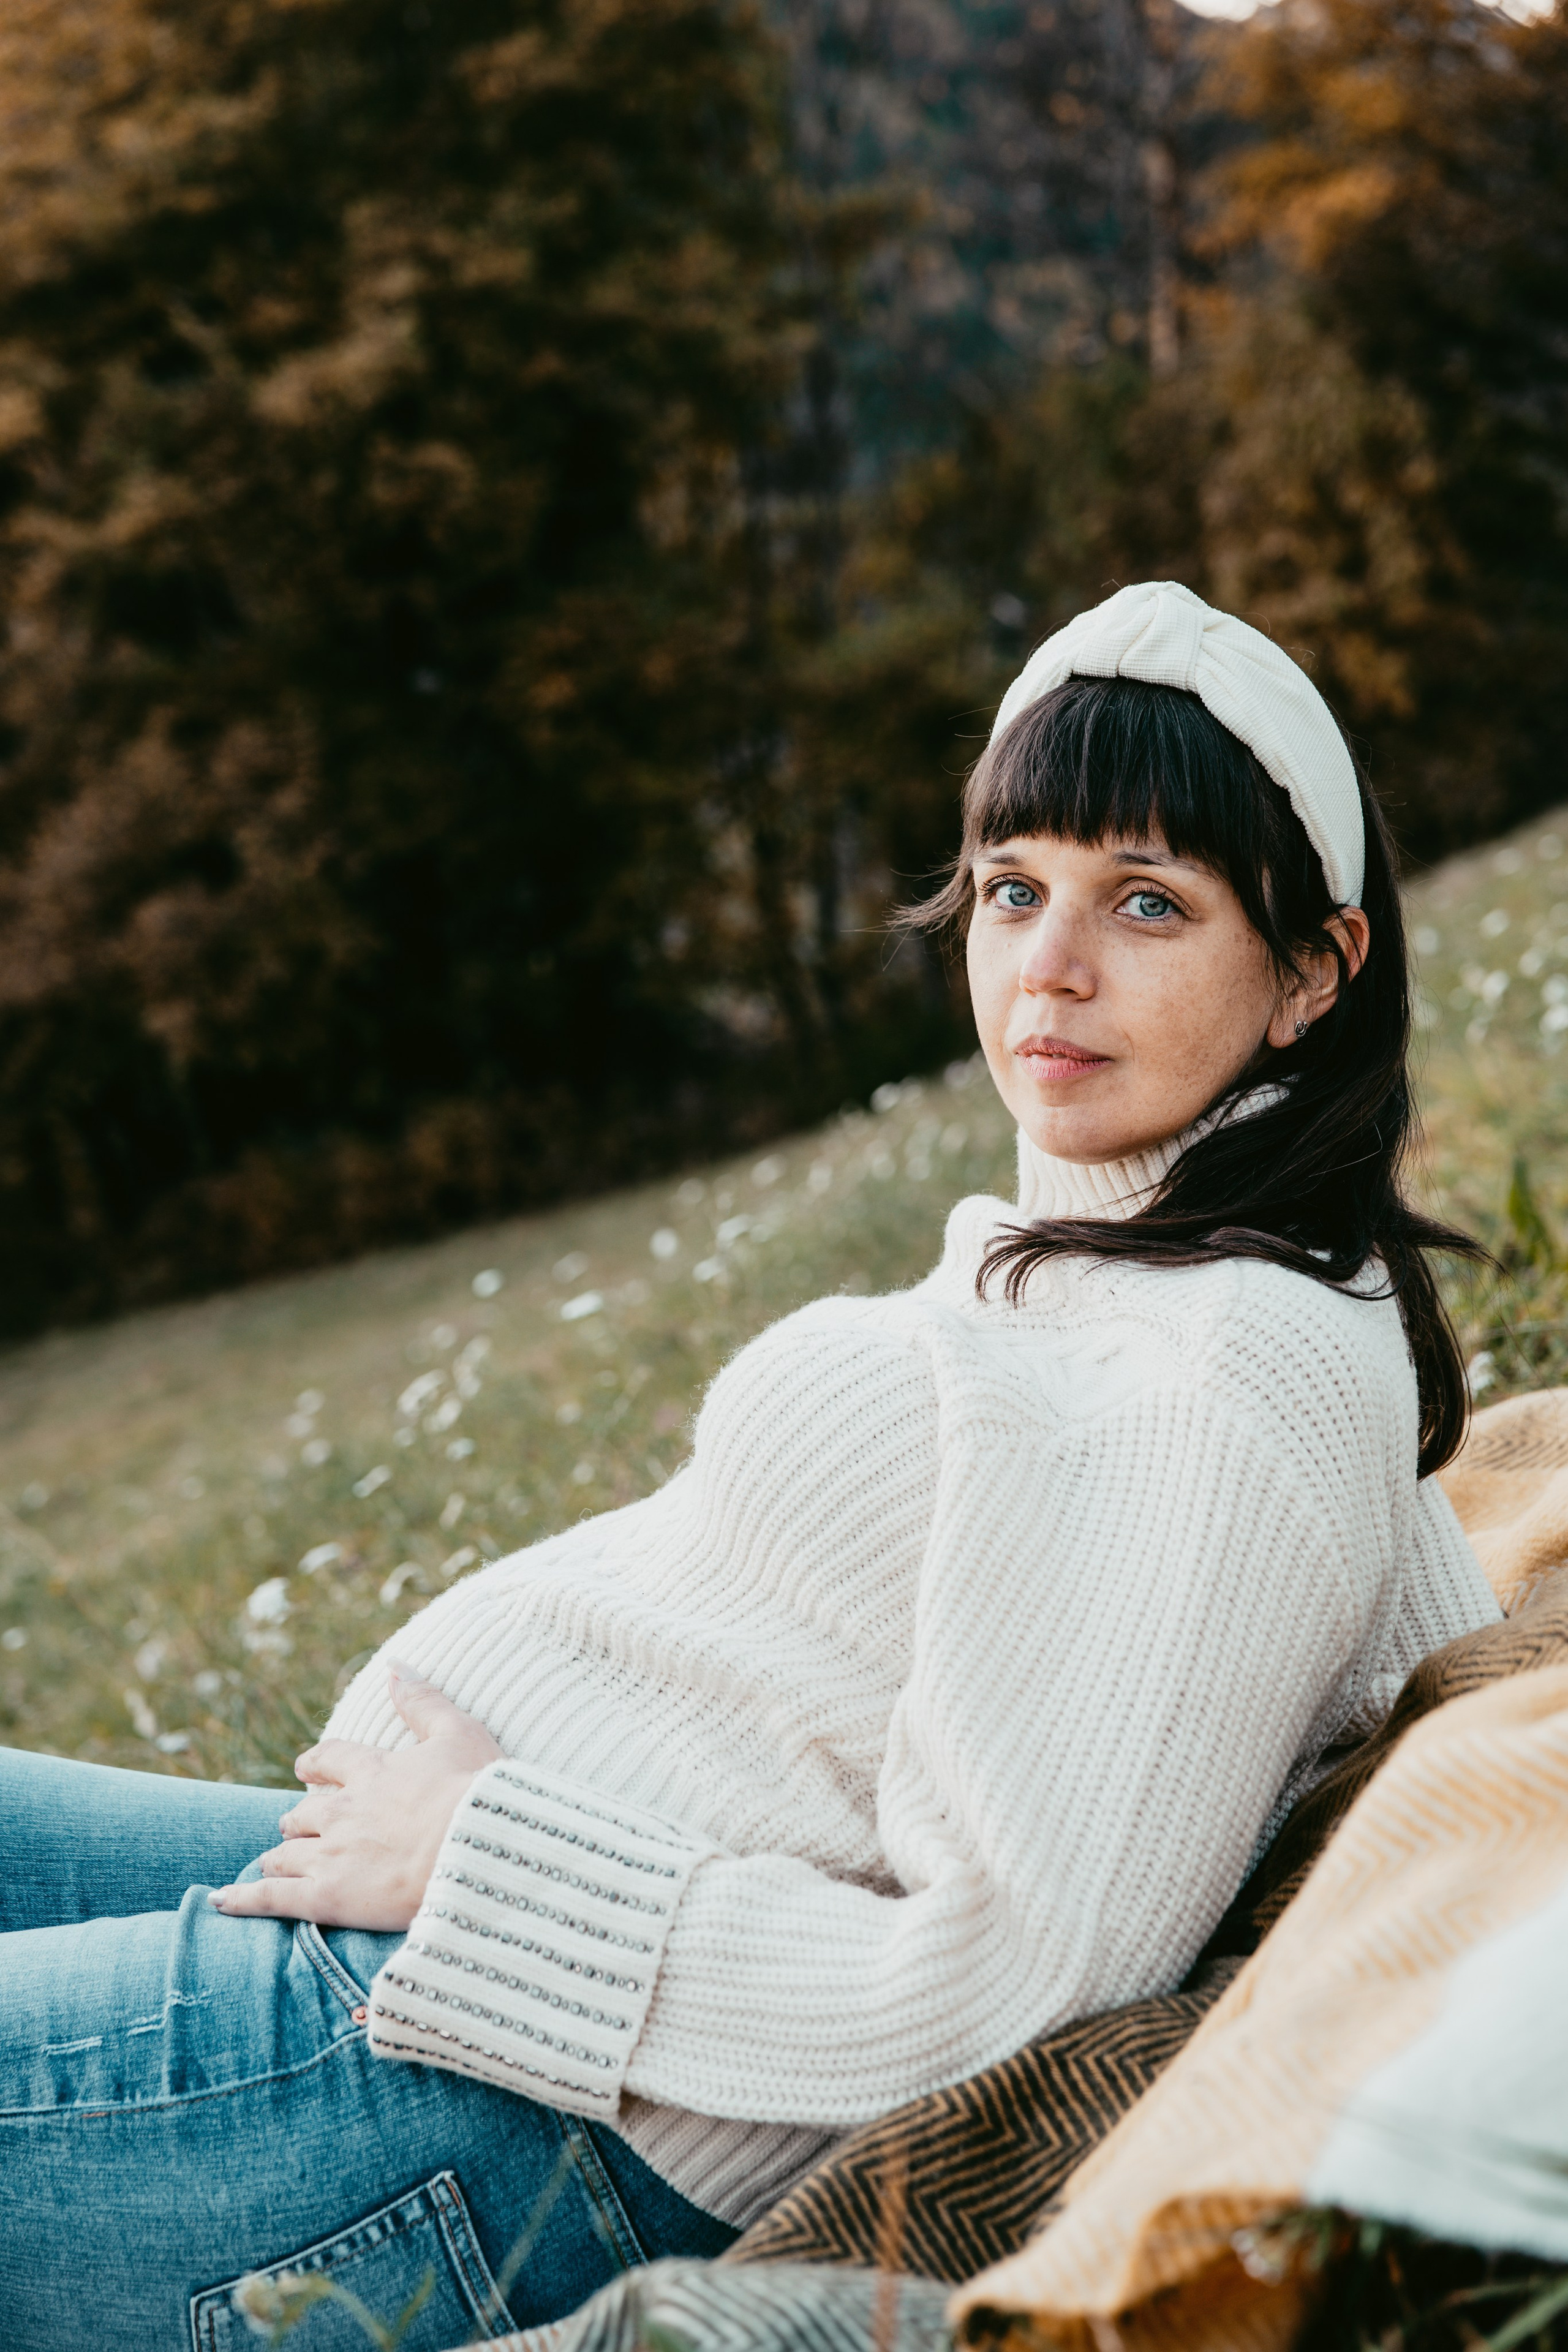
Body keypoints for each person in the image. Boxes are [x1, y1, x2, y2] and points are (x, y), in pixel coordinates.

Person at [0, 581, 1500, 2351]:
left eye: (1147, 904)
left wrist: (490, 1859)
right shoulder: (1153, 1258)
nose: (1050, 966)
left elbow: (1008, 1992)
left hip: (507, 2079)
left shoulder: (1233, 1375)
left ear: (1314, 970)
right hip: (444, 1939)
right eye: (1013, 888)